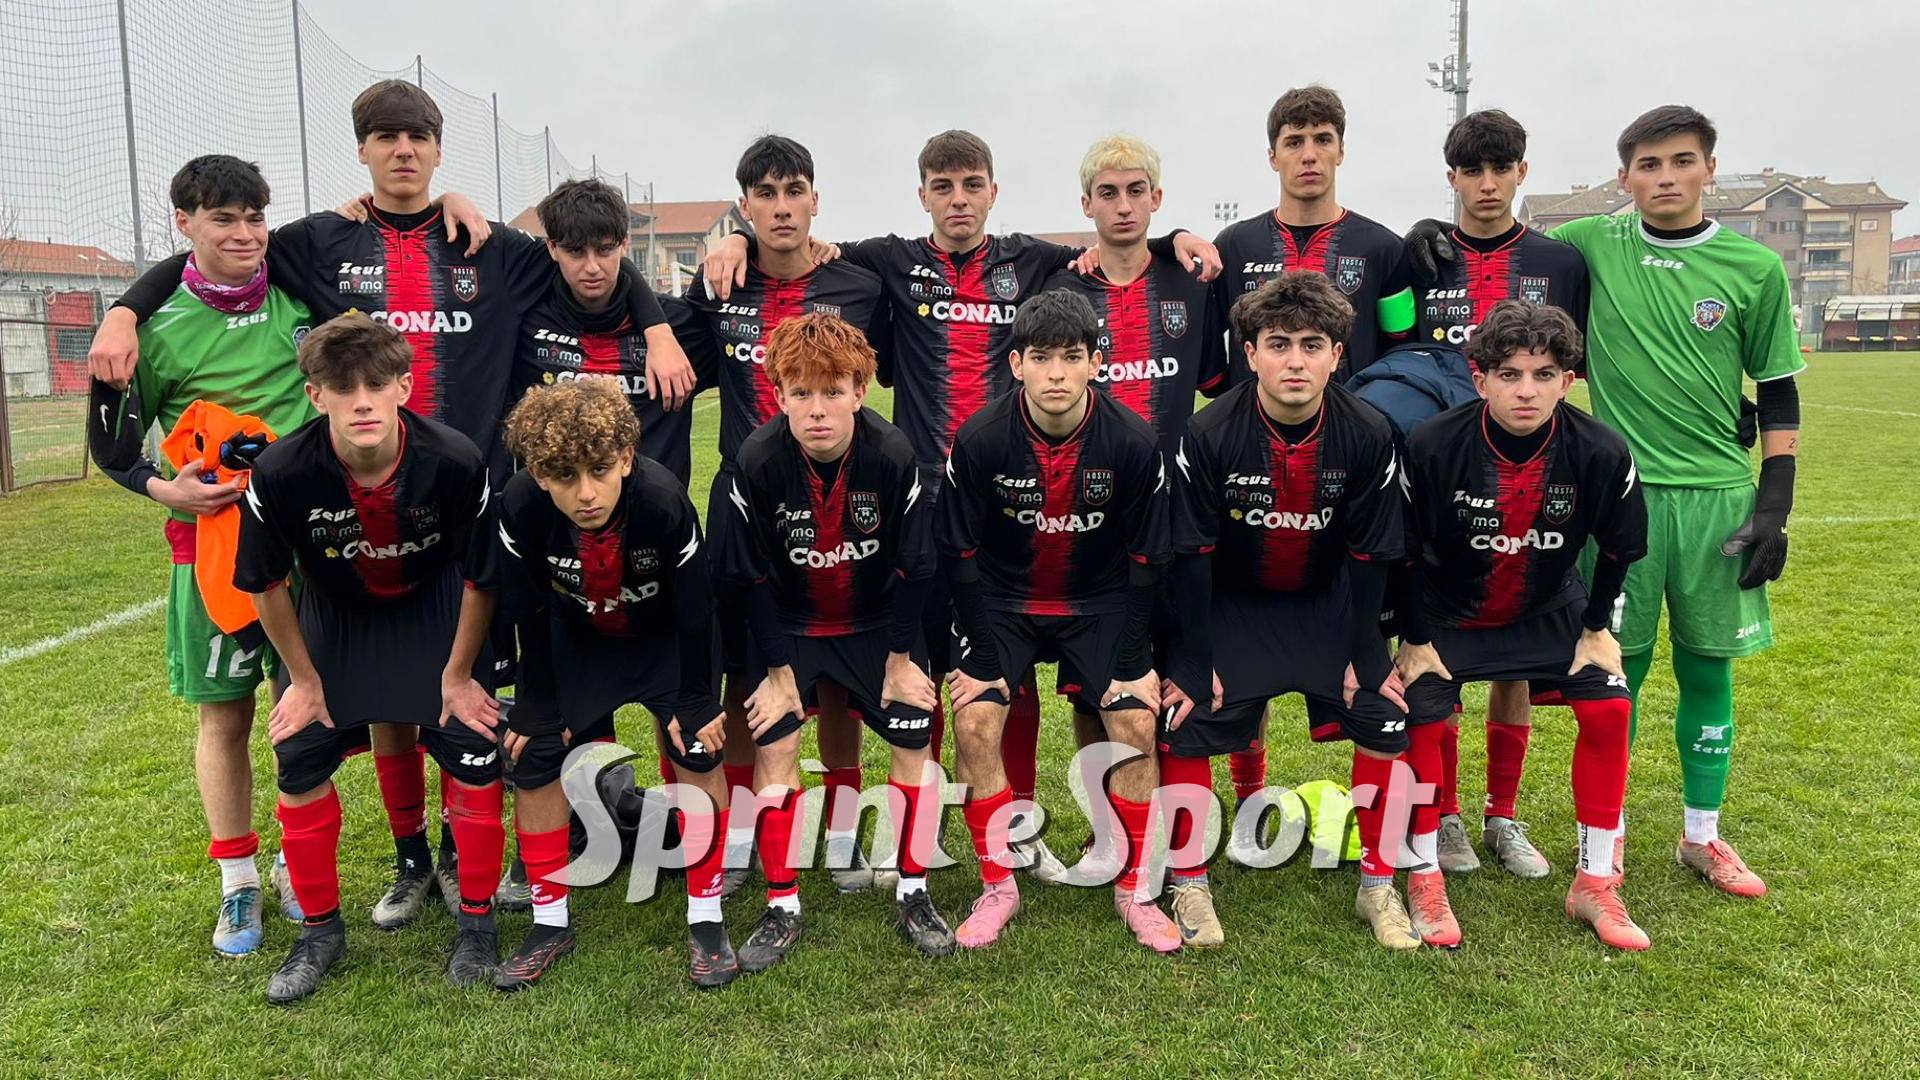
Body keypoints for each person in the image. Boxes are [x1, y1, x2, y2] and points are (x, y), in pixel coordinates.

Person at [92, 79, 687, 928]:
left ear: (440, 149)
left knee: (482, 691)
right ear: (363, 149)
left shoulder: (493, 248)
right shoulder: (318, 242)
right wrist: (124, 309)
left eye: (418, 136)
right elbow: (215, 252)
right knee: (386, 691)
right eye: (385, 136)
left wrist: (657, 323)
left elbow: (589, 255)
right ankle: (414, 861)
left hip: (475, 506)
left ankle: (480, 851)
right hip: (364, 507)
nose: (403, 149)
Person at [704, 131, 1221, 882]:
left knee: (1003, 672)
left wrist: (1175, 236)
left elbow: (1117, 239)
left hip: (1014, 498)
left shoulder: (1035, 261)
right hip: (915, 503)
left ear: (993, 192)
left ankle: (1018, 829)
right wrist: (733, 246)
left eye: (971, 184)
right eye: (941, 186)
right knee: (935, 667)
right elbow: (804, 248)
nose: (957, 199)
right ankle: (929, 821)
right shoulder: (887, 261)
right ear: (922, 196)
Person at [1408, 105, 1802, 896]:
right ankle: (1605, 844)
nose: (1665, 178)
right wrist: (1425, 228)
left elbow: (1779, 390)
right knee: (1618, 672)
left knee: (1708, 669)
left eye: (1682, 162)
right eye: (1649, 165)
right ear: (1623, 178)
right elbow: (1497, 232)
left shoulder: (1752, 269)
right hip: (1613, 495)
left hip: (1719, 493)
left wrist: (1775, 499)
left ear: (1709, 169)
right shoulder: (1590, 244)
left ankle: (1703, 836)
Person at [235, 314, 506, 1003]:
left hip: (436, 611)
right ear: (314, 394)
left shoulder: (454, 459)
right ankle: (320, 933)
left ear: (403, 387)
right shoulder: (281, 471)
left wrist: (458, 673)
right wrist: (302, 680)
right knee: (297, 754)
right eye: (341, 386)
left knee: (475, 744)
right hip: (336, 616)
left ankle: (477, 925)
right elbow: (266, 584)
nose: (361, 400)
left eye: (377, 384)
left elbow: (482, 576)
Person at [85, 155, 315, 954]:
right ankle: (239, 885)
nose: (245, 234)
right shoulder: (152, 328)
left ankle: (299, 863)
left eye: (255, 217)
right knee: (225, 715)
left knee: (306, 710)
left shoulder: (298, 290)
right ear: (185, 223)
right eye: (224, 219)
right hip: (208, 551)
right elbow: (108, 445)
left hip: (304, 545)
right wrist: (162, 489)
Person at [666, 134, 891, 894]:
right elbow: (658, 334)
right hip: (744, 507)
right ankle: (738, 837)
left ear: (815, 201)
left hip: (842, 509)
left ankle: (840, 831)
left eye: (795, 190)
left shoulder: (858, 283)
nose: (782, 206)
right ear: (746, 205)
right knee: (742, 669)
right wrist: (725, 245)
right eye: (765, 195)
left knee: (834, 673)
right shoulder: (718, 286)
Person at [1162, 271, 1411, 950]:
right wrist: (1193, 656)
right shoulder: (1208, 433)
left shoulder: (1369, 432)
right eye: (1278, 344)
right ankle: (1188, 881)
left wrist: (1367, 653)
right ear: (1249, 353)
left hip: (1328, 605)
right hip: (1236, 606)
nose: (1295, 361)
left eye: (1312, 344)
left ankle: (1378, 887)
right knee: (1184, 715)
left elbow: (1373, 553)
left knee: (1385, 713)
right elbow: (1192, 556)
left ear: (1337, 353)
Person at [1396, 299, 1649, 950]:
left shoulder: (1599, 450)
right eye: (1509, 374)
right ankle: (1424, 873)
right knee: (1421, 712)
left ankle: (1595, 884)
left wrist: (1596, 629)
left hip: (1547, 605)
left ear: (1570, 380)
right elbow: (1401, 551)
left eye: (1544, 374)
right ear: (1479, 379)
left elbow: (1618, 549)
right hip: (1450, 609)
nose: (1527, 390)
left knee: (1610, 709)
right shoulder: (1433, 445)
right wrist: (1416, 640)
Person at [711, 313, 954, 967]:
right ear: (779, 394)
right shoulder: (755, 462)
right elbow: (752, 579)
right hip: (790, 625)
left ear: (861, 389)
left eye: (833, 391)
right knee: (777, 741)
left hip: (878, 626)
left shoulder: (894, 455)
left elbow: (916, 568)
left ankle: (914, 890)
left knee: (912, 739)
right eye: (801, 393)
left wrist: (903, 660)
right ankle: (782, 903)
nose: (817, 410)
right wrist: (777, 671)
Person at [1206, 85, 1415, 844]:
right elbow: (1214, 363)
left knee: (1364, 639)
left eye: (1322, 139)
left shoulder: (1384, 249)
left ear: (1340, 150)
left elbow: (1403, 352)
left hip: (1350, 473)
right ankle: (1249, 801)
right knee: (1242, 636)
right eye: (1293, 141)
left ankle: (1399, 830)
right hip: (1250, 465)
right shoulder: (1232, 251)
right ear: (1272, 155)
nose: (1308, 154)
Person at [941, 290, 1176, 952]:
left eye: (1071, 358)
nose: (1055, 374)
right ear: (1015, 363)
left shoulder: (1131, 441)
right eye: (1040, 358)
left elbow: (1146, 560)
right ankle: (998, 885)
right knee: (976, 719)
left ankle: (1135, 889)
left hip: (1097, 601)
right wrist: (981, 658)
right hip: (1002, 601)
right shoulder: (982, 438)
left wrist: (1132, 658)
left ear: (1095, 362)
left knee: (1133, 719)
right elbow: (958, 555)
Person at [493, 378, 734, 989]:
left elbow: (695, 607)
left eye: (600, 470)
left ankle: (706, 916)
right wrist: (538, 702)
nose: (587, 492)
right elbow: (527, 608)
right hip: (579, 640)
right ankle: (550, 922)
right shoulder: (519, 505)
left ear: (627, 457)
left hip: (660, 638)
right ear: (540, 474)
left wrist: (697, 697)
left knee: (699, 746)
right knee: (539, 755)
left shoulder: (660, 498)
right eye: (565, 476)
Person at [1414, 108, 1590, 879]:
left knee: (1516, 653)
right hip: (1444, 468)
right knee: (1440, 646)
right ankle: (1444, 813)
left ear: (1523, 172)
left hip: (1535, 466)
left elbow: (1571, 359)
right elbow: (1393, 352)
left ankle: (1503, 816)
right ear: (1451, 177)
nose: (1487, 185)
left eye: (1501, 168)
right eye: (1471, 171)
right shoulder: (1417, 255)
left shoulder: (1560, 261)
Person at [515, 178, 697, 484]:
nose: (592, 267)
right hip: (555, 526)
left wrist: (739, 242)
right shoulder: (523, 324)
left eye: (604, 250)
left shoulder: (678, 325)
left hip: (655, 519)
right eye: (575, 251)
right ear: (551, 247)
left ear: (624, 243)